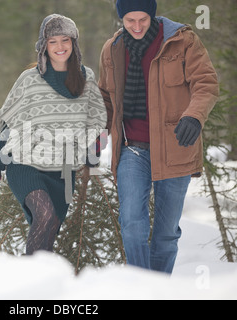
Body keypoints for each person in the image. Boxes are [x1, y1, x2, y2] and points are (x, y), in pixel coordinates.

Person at [98, 0, 218, 274]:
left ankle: (159, 287)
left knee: (166, 234)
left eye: (143, 20)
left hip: (176, 147)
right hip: (132, 148)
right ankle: (142, 288)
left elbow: (206, 83)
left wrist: (194, 116)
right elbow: (106, 97)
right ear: (122, 19)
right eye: (130, 21)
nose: (137, 27)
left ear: (153, 16)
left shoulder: (182, 41)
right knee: (131, 224)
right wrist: (97, 131)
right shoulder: (113, 49)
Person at [0, 14, 107, 256]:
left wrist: (93, 153)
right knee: (45, 214)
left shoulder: (86, 78)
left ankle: (39, 283)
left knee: (49, 230)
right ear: (43, 46)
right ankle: (31, 282)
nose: (60, 47)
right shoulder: (30, 80)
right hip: (25, 163)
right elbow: (9, 127)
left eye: (65, 40)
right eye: (53, 42)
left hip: (64, 171)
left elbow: (95, 122)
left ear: (74, 43)